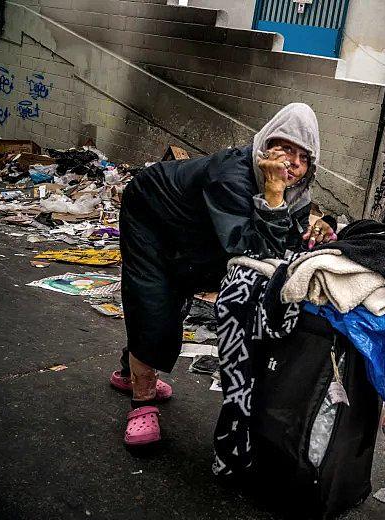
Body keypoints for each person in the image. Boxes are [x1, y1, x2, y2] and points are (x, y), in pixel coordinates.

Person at [109, 103, 338, 446]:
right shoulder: (231, 175)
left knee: (183, 285)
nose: (292, 163)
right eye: (285, 149)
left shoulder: (294, 192)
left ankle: (131, 369)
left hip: (196, 229)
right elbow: (247, 246)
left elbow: (285, 245)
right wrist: (273, 196)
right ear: (265, 148)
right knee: (153, 296)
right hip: (150, 211)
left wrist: (316, 230)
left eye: (303, 157)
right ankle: (142, 401)